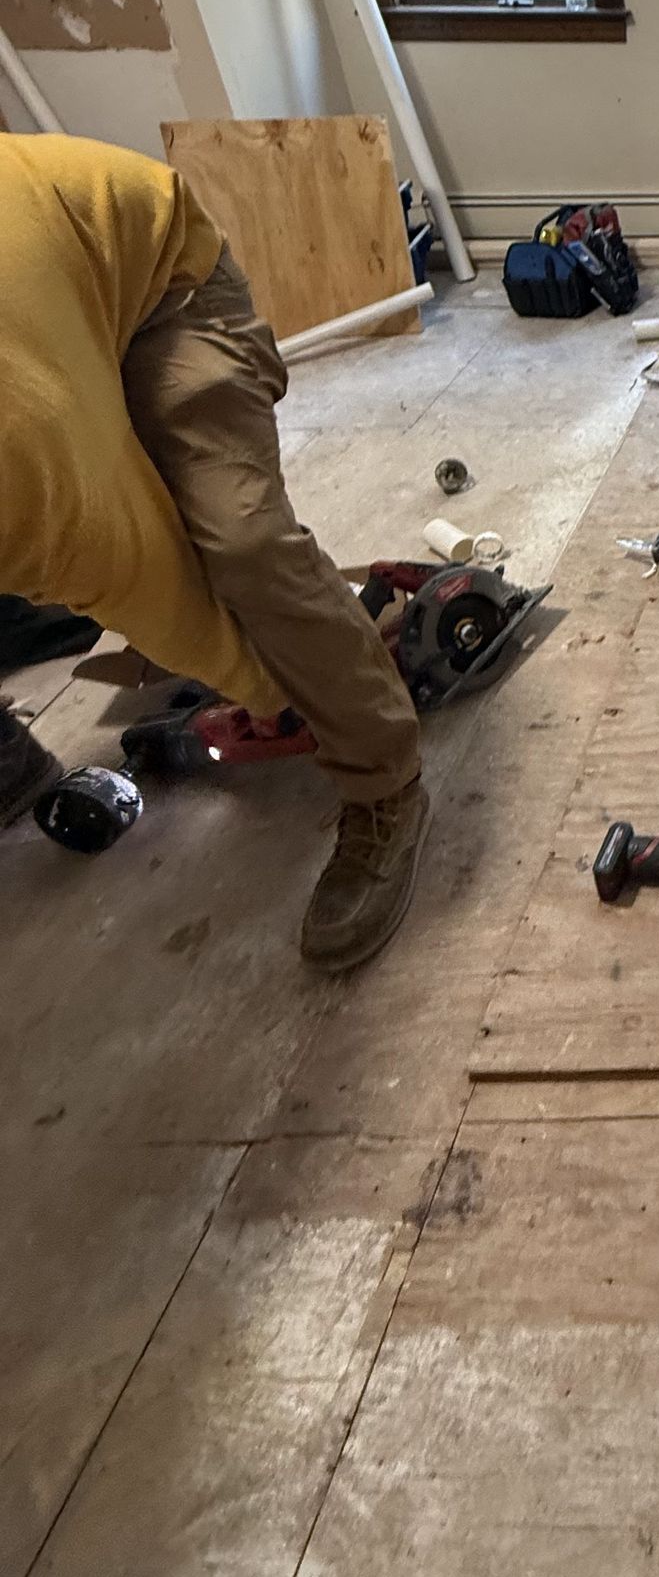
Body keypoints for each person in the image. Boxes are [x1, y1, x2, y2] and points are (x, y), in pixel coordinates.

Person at [0, 131, 428, 968]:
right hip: (60, 306)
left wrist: (270, 688)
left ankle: (386, 783)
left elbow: (134, 567)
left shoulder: (23, 449)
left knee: (240, 540)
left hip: (165, 286)